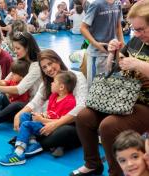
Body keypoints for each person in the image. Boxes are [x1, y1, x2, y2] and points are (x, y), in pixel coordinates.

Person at [70, 1, 149, 176]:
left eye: (141, 29)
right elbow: (111, 69)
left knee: (108, 126)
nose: (136, 33)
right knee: (83, 116)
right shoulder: (137, 41)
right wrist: (113, 53)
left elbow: (134, 65)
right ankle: (92, 164)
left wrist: (137, 64)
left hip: (145, 105)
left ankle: (116, 173)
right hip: (125, 99)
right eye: (134, 29)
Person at [10, 49, 87, 157]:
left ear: (58, 61)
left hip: (69, 123)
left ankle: (28, 144)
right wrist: (19, 114)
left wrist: (54, 123)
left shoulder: (76, 77)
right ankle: (41, 142)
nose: (49, 69)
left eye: (50, 63)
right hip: (51, 120)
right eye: (44, 67)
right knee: (25, 115)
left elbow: (81, 107)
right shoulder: (48, 82)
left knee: (64, 131)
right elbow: (36, 101)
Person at [0, 71, 77, 166]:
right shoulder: (53, 96)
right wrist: (40, 116)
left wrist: (42, 120)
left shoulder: (70, 101)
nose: (51, 83)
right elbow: (50, 113)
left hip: (52, 127)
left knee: (26, 124)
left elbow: (61, 122)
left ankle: (18, 154)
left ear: (61, 87)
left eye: (54, 82)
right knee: (25, 115)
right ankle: (32, 142)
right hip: (45, 122)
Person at [80, 0, 124, 88]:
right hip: (97, 53)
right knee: (94, 85)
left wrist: (122, 42)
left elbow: (118, 25)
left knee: (111, 83)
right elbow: (83, 28)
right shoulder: (96, 4)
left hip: (113, 51)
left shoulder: (118, 3)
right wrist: (96, 44)